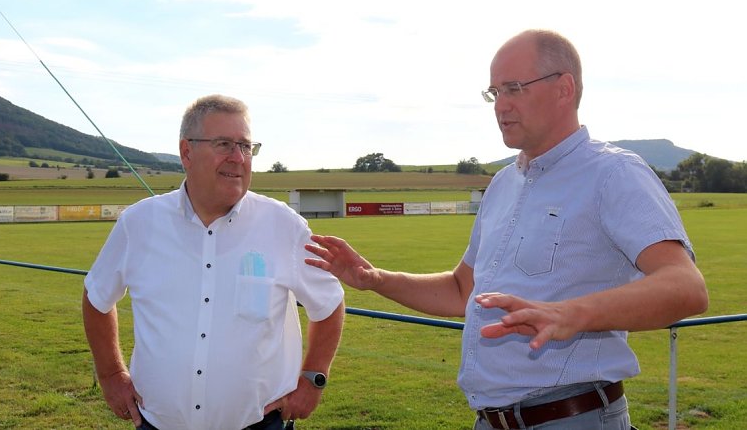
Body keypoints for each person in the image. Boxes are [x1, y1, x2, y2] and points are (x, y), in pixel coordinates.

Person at [306, 29, 708, 429]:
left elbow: (685, 287)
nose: (501, 105)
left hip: (573, 417)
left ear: (564, 89)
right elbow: (464, 291)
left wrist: (571, 314)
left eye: (514, 88)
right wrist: (375, 278)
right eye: (494, 92)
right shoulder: (503, 183)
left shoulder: (613, 173)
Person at [83, 94, 345, 430]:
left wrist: (313, 379)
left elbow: (329, 303)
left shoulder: (282, 225)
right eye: (224, 144)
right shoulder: (139, 224)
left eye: (246, 146)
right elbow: (96, 298)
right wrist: (110, 374)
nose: (238, 158)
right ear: (186, 152)